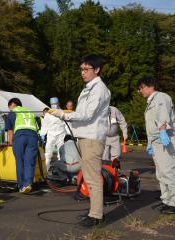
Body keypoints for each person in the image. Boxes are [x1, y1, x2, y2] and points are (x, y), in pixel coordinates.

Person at [51, 54, 111, 227]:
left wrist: (64, 114)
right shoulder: (89, 88)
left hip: (92, 138)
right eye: (81, 69)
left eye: (87, 69)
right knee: (89, 176)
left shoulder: (98, 89)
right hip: (86, 136)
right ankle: (94, 211)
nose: (83, 72)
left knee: (92, 177)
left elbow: (86, 114)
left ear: (97, 70)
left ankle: (97, 216)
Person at [137, 76, 175, 214]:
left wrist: (162, 132)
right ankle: (167, 200)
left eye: (141, 88)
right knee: (161, 173)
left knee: (168, 172)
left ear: (150, 86)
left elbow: (163, 116)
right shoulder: (152, 101)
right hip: (157, 142)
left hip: (166, 139)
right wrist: (150, 143)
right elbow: (152, 125)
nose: (140, 91)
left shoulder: (161, 97)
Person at [5, 98, 38, 194]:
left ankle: (21, 186)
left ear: (12, 105)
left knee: (20, 161)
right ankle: (28, 184)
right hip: (33, 136)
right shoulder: (29, 112)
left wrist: (10, 142)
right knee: (30, 162)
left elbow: (10, 131)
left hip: (20, 136)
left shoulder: (12, 113)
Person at [40, 97, 66, 171]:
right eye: (52, 104)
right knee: (48, 154)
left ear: (58, 103)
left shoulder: (62, 112)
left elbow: (66, 124)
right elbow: (45, 125)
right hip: (51, 135)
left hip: (61, 134)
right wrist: (42, 134)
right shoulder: (48, 114)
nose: (54, 105)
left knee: (61, 153)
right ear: (50, 104)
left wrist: (68, 133)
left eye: (55, 103)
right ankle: (46, 171)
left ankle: (62, 171)